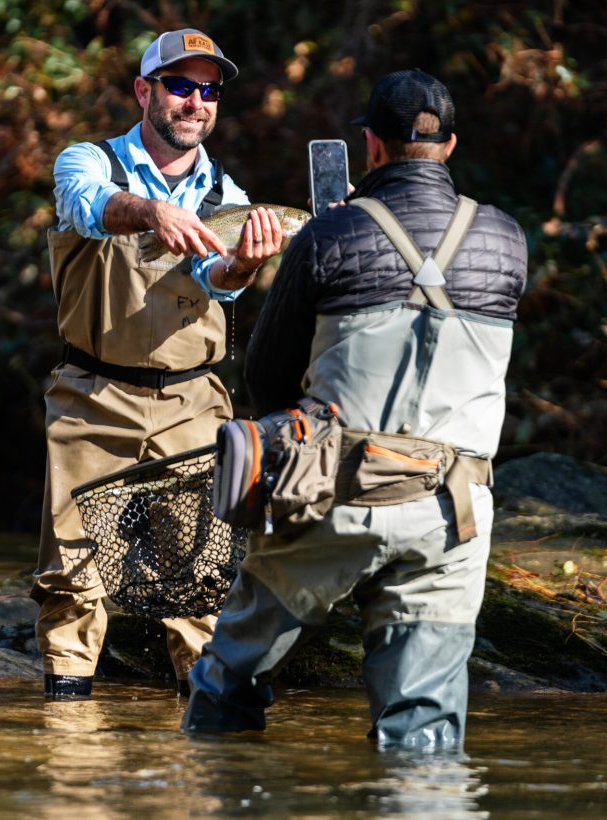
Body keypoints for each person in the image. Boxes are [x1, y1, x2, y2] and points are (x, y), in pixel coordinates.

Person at [181, 68, 528, 748]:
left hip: (334, 500)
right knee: (423, 733)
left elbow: (267, 377)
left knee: (227, 684)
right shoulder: (507, 240)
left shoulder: (328, 236)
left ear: (370, 145)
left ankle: (219, 787)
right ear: (450, 145)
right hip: (454, 515)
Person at [31, 27, 284, 701]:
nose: (195, 102)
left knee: (200, 576)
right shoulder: (88, 161)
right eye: (180, 86)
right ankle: (67, 725)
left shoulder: (228, 194)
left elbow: (219, 278)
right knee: (72, 573)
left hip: (194, 402)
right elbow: (87, 210)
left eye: (209, 91)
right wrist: (150, 212)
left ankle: (197, 752)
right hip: (91, 397)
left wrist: (246, 265)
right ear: (145, 91)